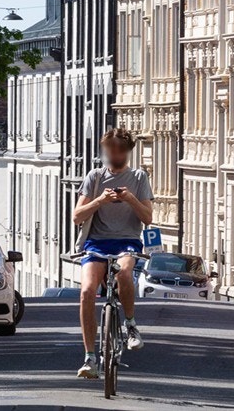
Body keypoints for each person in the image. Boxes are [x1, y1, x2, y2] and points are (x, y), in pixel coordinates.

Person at [71, 126, 153, 380]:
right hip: (96, 243)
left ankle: (130, 325)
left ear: (128, 151)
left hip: (127, 242)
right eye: (110, 150)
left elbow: (147, 218)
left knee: (124, 273)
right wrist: (100, 201)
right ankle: (90, 358)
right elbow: (76, 216)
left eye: (119, 150)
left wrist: (130, 199)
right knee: (86, 291)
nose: (114, 155)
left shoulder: (138, 177)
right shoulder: (95, 177)